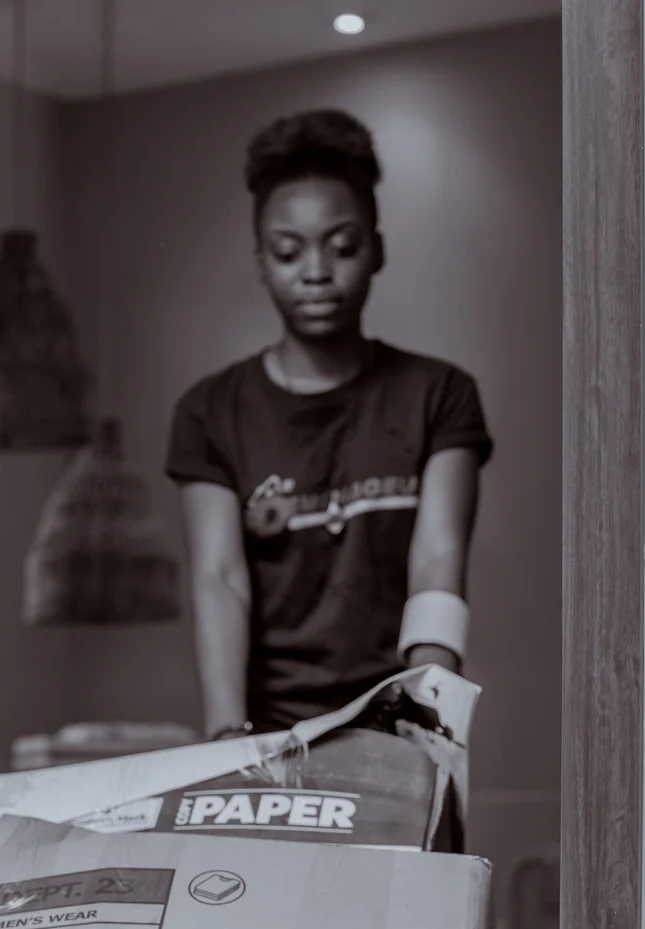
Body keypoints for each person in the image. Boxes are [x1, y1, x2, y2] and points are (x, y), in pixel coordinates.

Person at [166, 108, 492, 740]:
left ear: (377, 250)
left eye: (342, 247)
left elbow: (438, 557)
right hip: (267, 738)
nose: (316, 272)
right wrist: (229, 737)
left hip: (399, 723)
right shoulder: (209, 411)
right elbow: (219, 579)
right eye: (289, 252)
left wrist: (429, 718)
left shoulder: (439, 394)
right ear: (261, 261)